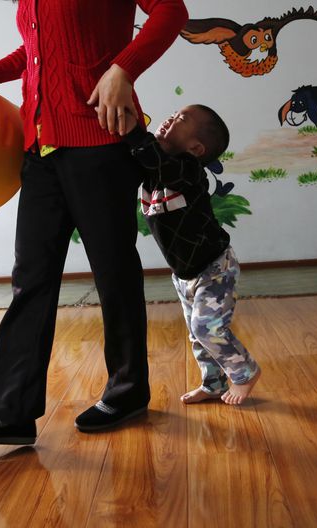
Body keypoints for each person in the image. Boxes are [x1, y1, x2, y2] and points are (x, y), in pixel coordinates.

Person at [0, 0, 189, 445]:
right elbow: (37, 51)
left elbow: (171, 11)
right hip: (39, 146)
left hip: (99, 141)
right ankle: (9, 412)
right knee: (30, 277)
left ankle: (128, 390)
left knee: (113, 273)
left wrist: (123, 69)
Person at [121, 105, 261, 405]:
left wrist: (136, 132)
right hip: (183, 273)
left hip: (214, 267)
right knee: (197, 337)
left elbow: (159, 164)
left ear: (196, 148)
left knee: (206, 327)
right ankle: (213, 384)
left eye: (181, 119)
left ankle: (244, 372)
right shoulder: (152, 170)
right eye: (172, 114)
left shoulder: (188, 169)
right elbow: (143, 161)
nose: (170, 118)